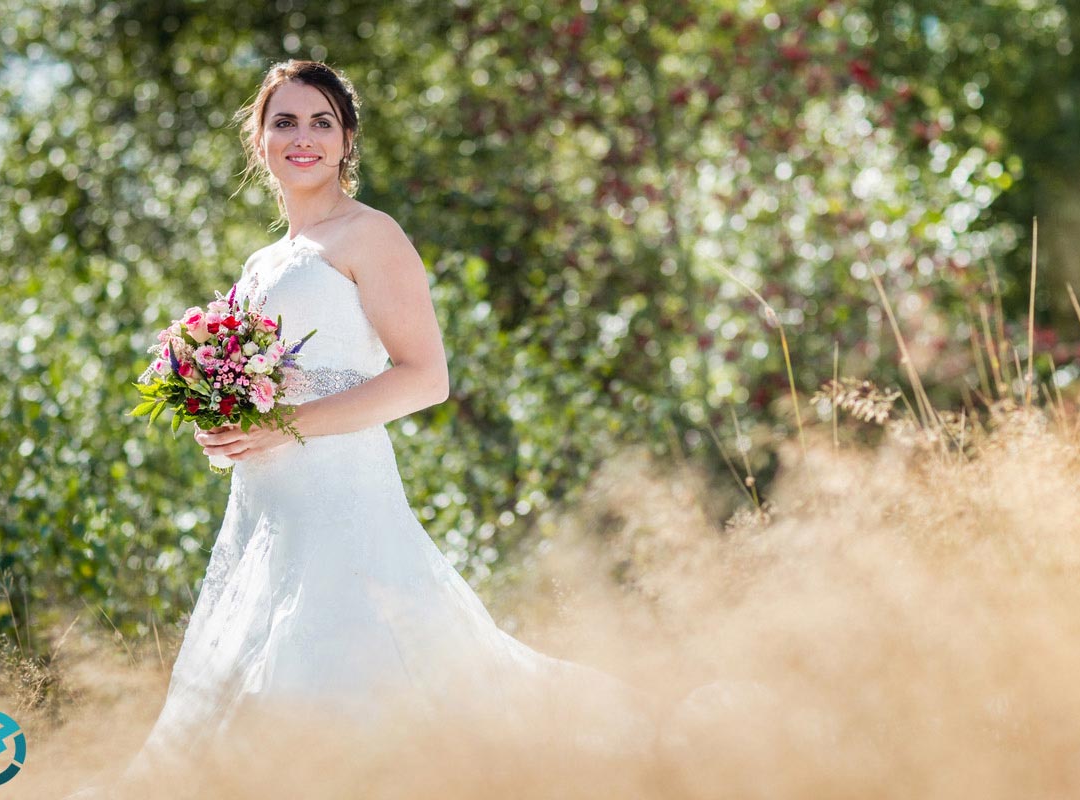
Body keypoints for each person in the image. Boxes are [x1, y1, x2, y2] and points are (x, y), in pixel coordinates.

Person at [67, 60, 661, 799]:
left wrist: (285, 426)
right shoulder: (261, 263)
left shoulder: (370, 234)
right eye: (284, 121)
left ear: (347, 141)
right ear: (259, 141)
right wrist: (224, 426)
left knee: (349, 669)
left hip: (344, 500)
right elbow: (266, 390)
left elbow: (425, 377)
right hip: (264, 509)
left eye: (323, 121)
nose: (303, 137)